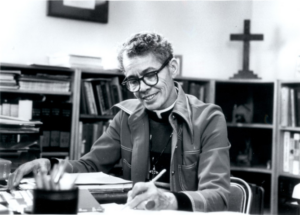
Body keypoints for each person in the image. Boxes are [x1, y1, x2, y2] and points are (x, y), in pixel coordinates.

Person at [8, 32, 231, 212]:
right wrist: (51, 165)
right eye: (133, 80)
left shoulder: (209, 118)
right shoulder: (125, 116)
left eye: (150, 74)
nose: (142, 87)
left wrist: (168, 200)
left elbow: (219, 196)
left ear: (172, 68)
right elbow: (91, 166)